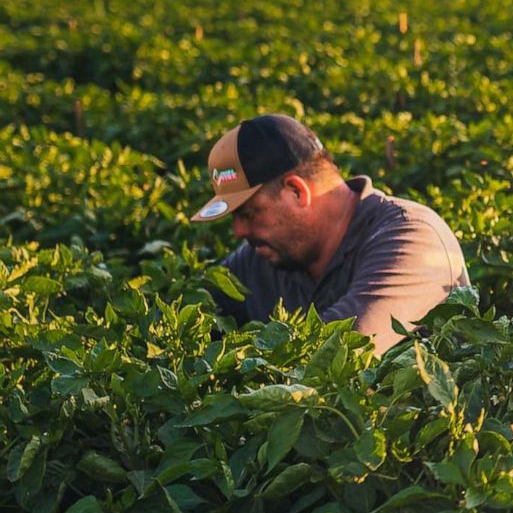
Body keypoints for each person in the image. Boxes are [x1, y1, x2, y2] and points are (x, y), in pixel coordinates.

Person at [191, 113, 470, 354]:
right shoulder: (262, 257)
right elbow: (187, 309)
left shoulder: (410, 238)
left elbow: (339, 352)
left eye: (249, 213)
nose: (239, 231)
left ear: (297, 191)